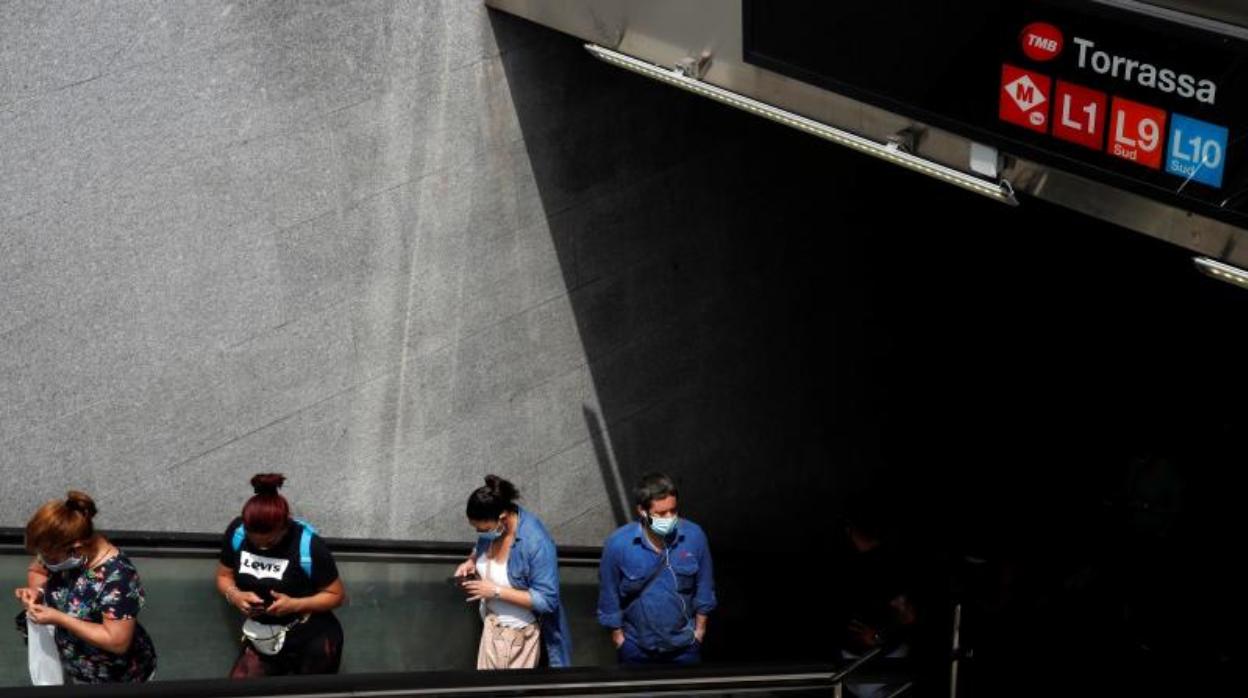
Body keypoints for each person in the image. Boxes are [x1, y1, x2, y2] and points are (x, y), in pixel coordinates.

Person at [13, 491, 157, 683]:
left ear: (77, 546)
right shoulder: (59, 549)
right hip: (74, 666)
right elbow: (38, 572)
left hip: (114, 678)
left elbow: (117, 641)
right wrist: (37, 593)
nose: (46, 561)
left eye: (51, 558)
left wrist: (59, 618)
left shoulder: (118, 577)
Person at [216, 473, 346, 677]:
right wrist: (235, 596)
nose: (261, 547)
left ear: (286, 526)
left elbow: (336, 595)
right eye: (254, 541)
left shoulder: (309, 546)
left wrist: (295, 605)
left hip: (312, 639)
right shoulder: (237, 533)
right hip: (262, 638)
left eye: (270, 542)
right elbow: (224, 576)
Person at [453, 475, 572, 669]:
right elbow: (482, 544)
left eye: (483, 528)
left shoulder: (536, 543)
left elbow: (547, 601)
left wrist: (495, 591)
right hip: (491, 630)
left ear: (502, 518)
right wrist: (472, 560)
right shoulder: (492, 531)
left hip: (522, 638)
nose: (480, 533)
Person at [597, 472, 716, 665]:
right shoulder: (618, 544)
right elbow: (608, 595)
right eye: (661, 514)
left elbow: (704, 588)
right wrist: (619, 639)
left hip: (685, 648)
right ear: (642, 511)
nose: (669, 517)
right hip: (636, 648)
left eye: (673, 510)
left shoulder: (694, 536)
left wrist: (699, 631)